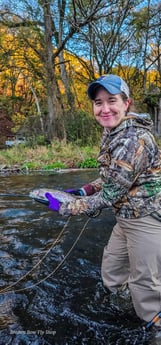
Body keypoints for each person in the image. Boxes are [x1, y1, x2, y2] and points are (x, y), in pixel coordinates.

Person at [45, 74, 161, 330]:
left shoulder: (133, 140)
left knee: (146, 285)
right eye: (98, 102)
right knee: (112, 271)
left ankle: (155, 329)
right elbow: (109, 178)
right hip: (125, 217)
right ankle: (122, 310)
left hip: (146, 218)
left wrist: (64, 205)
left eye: (112, 100)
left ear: (126, 103)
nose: (104, 108)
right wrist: (85, 190)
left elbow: (110, 195)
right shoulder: (113, 132)